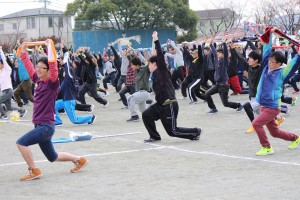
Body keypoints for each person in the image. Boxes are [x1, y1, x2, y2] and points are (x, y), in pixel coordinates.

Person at [16, 40, 88, 181]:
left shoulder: (52, 83)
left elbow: (54, 67)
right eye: (38, 67)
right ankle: (79, 160)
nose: (38, 69)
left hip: (46, 126)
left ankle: (34, 170)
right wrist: (23, 53)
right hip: (41, 125)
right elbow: (30, 69)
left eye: (42, 68)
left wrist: (50, 48)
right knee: (52, 157)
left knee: (21, 143)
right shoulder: (38, 80)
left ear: (48, 71)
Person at [142, 31, 201, 142]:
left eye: (149, 63)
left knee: (172, 131)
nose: (148, 66)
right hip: (160, 105)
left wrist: (155, 39)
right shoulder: (154, 74)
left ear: (155, 64)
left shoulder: (162, 70)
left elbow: (160, 54)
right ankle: (154, 136)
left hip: (169, 104)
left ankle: (195, 131)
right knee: (146, 114)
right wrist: (152, 56)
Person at [252, 27, 300, 156]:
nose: (269, 63)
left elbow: (293, 64)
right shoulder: (266, 67)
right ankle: (296, 138)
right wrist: (271, 33)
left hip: (273, 106)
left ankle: (267, 147)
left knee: (256, 124)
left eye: (272, 62)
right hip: (264, 104)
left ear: (279, 64)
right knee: (274, 132)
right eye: (269, 61)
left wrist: (299, 54)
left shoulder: (282, 73)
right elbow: (267, 49)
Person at [204, 39, 243, 114]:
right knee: (207, 93)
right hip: (217, 85)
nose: (218, 54)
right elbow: (214, 53)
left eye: (219, 53)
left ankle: (239, 105)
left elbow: (225, 53)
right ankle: (213, 108)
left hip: (224, 86)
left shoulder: (225, 61)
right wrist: (211, 44)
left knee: (225, 103)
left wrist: (224, 44)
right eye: (218, 53)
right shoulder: (217, 61)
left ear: (223, 54)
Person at [0, 47, 26, 119]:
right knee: (9, 107)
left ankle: (3, 115)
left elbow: (4, 60)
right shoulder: (1, 73)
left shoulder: (7, 69)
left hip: (8, 90)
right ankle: (22, 110)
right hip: (4, 91)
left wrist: (1, 50)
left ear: (2, 65)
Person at [126, 57, 150, 122]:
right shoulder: (137, 70)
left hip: (145, 92)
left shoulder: (145, 69)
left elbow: (150, 64)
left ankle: (134, 116)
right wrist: (128, 56)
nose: (131, 66)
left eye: (132, 65)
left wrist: (152, 55)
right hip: (141, 92)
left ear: (137, 65)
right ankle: (149, 116)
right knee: (143, 110)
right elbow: (134, 61)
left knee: (130, 98)